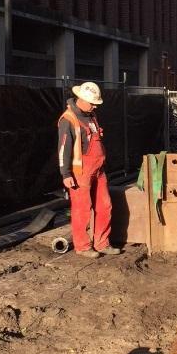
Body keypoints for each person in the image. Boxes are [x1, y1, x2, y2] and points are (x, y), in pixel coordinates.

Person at [58, 81, 120, 258]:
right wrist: (65, 174)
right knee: (82, 209)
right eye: (92, 103)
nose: (95, 106)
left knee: (104, 205)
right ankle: (83, 246)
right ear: (82, 99)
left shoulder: (91, 115)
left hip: (98, 170)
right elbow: (63, 148)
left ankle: (102, 243)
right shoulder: (68, 119)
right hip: (80, 172)